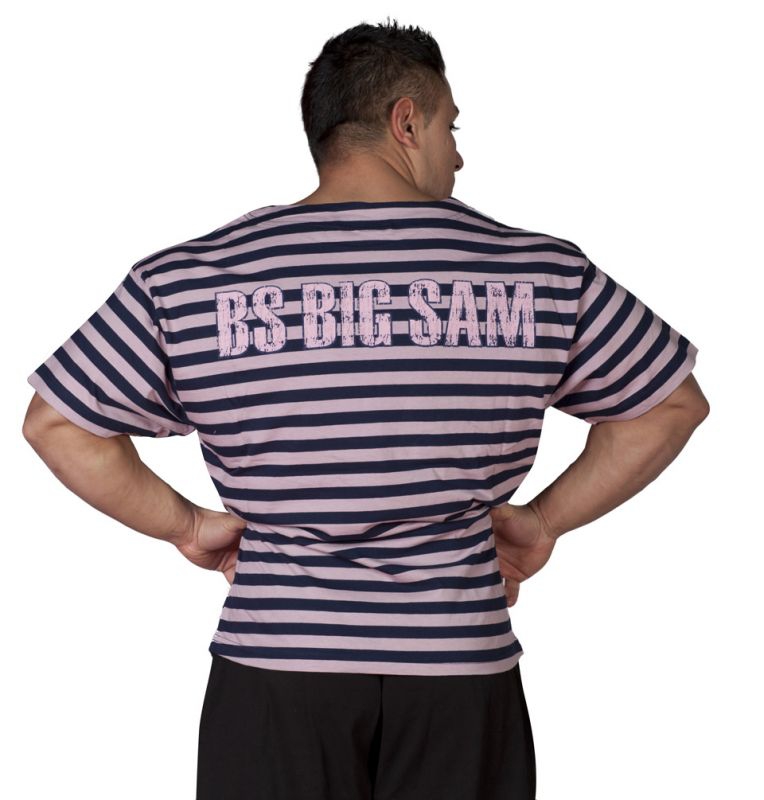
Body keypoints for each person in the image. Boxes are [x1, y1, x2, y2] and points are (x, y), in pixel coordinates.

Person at [21, 17, 709, 800]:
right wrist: (544, 521)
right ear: (405, 122)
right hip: (459, 673)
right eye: (451, 127)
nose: (458, 154)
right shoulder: (540, 271)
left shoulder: (191, 279)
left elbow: (57, 422)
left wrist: (187, 527)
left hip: (275, 674)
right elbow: (669, 404)